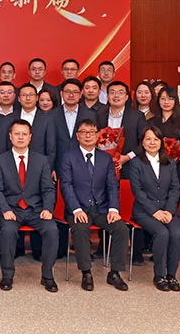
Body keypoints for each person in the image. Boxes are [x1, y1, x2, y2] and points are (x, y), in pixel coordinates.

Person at [60, 118, 130, 292]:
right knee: (81, 228)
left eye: (92, 132)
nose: (88, 136)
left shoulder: (105, 158)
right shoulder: (68, 157)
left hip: (102, 209)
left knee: (121, 228)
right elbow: (66, 186)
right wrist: (76, 209)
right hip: (78, 209)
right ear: (77, 136)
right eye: (83, 132)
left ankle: (115, 273)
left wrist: (113, 209)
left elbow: (112, 186)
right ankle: (86, 273)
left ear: (98, 135)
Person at [0, 119, 60, 292]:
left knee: (52, 230)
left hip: (36, 209)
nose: (20, 137)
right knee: (7, 231)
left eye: (24, 134)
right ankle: (7, 276)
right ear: (10, 136)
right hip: (11, 209)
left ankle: (47, 276)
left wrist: (47, 209)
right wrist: (5, 210)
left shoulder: (41, 160)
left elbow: (48, 189)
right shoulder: (0, 160)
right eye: (17, 134)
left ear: (30, 137)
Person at [127, 127, 180, 292]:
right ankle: (159, 275)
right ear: (142, 143)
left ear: (161, 142)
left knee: (176, 234)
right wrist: (154, 211)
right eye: (148, 139)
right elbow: (137, 191)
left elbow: (175, 189)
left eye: (156, 139)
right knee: (162, 233)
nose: (152, 142)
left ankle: (171, 275)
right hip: (145, 211)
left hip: (168, 210)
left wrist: (169, 211)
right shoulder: (136, 163)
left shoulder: (170, 163)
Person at [96, 81, 146, 174]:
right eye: (112, 92)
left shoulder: (137, 116)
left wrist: (127, 157)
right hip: (102, 166)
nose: (116, 96)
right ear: (107, 96)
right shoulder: (99, 116)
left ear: (126, 97)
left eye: (120, 92)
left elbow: (144, 141)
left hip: (130, 166)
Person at [16, 84, 57, 178]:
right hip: (14, 169)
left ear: (37, 98)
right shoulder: (10, 118)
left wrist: (47, 170)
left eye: (31, 95)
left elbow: (51, 148)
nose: (27, 98)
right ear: (19, 98)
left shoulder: (47, 119)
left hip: (40, 169)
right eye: (24, 95)